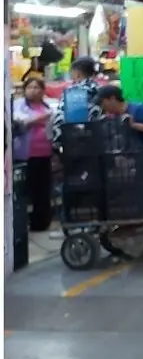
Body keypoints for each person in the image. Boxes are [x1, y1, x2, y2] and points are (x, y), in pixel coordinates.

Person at [12, 77, 54, 231]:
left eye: (37, 87)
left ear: (43, 90)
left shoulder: (48, 106)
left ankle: (40, 223)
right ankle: (20, 224)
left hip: (45, 153)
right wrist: (38, 120)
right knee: (24, 190)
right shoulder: (18, 105)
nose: (33, 90)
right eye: (30, 87)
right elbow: (18, 125)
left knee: (43, 191)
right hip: (24, 155)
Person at [50, 56, 103, 150]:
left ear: (77, 73)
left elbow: (61, 118)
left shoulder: (73, 92)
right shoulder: (102, 90)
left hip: (77, 144)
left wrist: (56, 143)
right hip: (100, 142)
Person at [93, 85, 143, 149]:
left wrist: (134, 125)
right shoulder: (115, 116)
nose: (102, 107)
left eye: (102, 103)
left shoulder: (138, 109)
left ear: (112, 98)